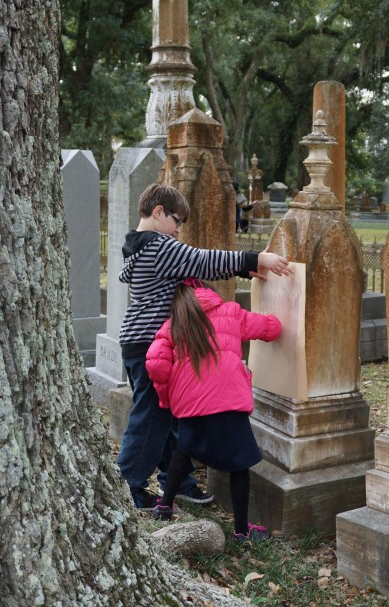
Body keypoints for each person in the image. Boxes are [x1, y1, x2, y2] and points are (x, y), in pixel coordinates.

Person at [117, 183, 291, 510]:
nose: (179, 228)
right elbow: (202, 260)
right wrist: (255, 258)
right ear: (157, 212)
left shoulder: (139, 248)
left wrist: (244, 267)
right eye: (177, 220)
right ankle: (128, 486)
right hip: (150, 346)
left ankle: (177, 482)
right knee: (150, 421)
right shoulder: (158, 246)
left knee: (166, 418)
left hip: (142, 344)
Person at [145, 278, 282, 540]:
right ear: (209, 292)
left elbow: (155, 364)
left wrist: (167, 399)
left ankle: (164, 505)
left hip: (190, 402)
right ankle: (242, 532)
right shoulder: (230, 311)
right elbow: (268, 328)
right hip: (228, 398)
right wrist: (280, 322)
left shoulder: (174, 325)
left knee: (183, 451)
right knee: (239, 463)